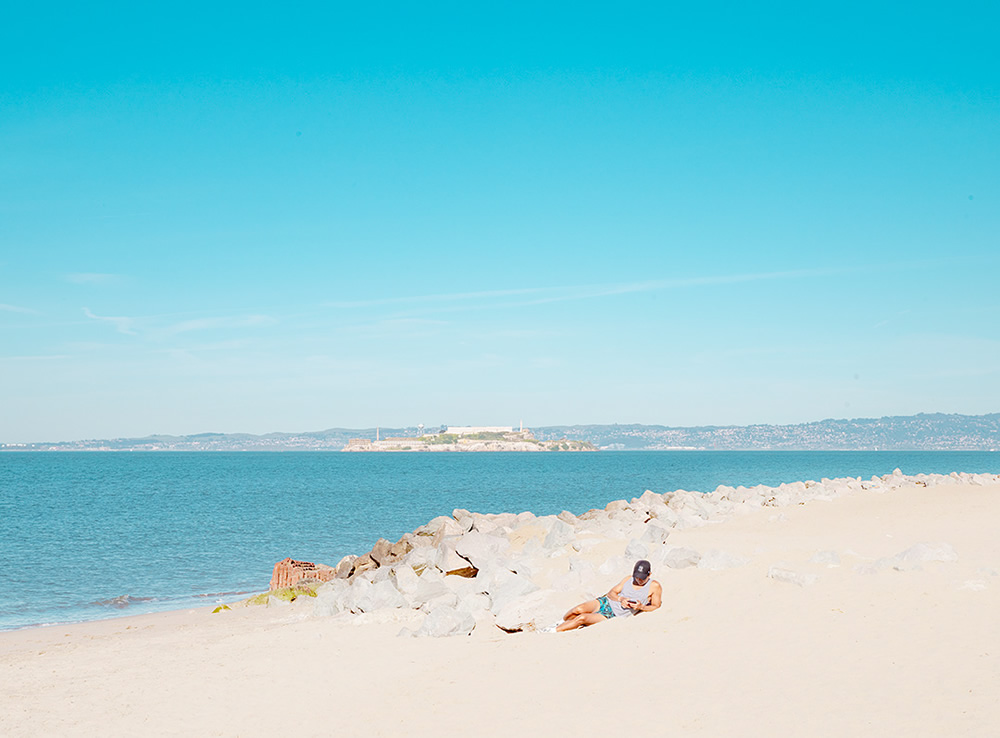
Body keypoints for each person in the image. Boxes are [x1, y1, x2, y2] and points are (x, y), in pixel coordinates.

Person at [555, 559, 662, 632]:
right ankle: (563, 624)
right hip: (605, 602)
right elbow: (611, 593)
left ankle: (552, 632)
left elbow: (656, 605)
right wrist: (621, 598)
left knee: (581, 618)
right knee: (578, 610)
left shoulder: (654, 586)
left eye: (642, 578)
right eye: (636, 577)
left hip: (613, 615)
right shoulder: (628, 579)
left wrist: (641, 607)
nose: (638, 580)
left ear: (649, 574)